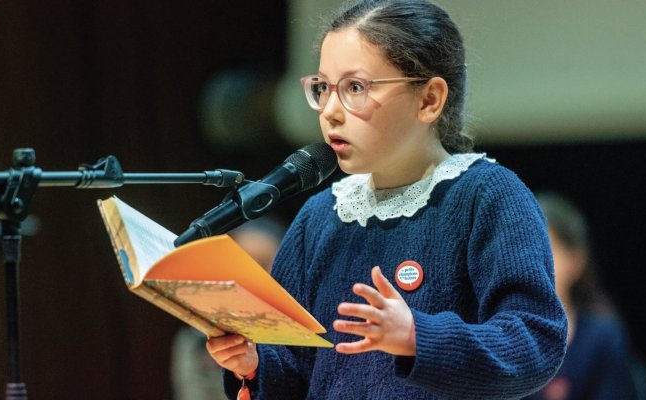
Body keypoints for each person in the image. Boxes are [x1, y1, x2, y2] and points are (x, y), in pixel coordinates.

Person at [206, 1, 568, 398]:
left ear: (429, 99)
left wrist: (417, 336)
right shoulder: (320, 217)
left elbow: (534, 342)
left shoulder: (486, 196)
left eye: (355, 88)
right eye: (323, 88)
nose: (329, 111)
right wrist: (256, 363)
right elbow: (294, 368)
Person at [525, 192, 646, 400]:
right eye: (527, 249)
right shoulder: (501, 333)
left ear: (577, 260)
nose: (534, 262)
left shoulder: (603, 338)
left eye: (548, 249)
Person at [170, 217, 286, 400]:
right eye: (244, 265)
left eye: (262, 264)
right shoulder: (197, 339)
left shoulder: (304, 342)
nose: (254, 277)